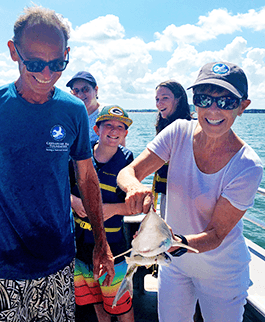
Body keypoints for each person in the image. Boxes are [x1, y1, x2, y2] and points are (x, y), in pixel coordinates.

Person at [117, 62, 263, 322]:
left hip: (223, 273)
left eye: (227, 101)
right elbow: (128, 172)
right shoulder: (177, 132)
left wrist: (175, 242)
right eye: (204, 98)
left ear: (243, 106)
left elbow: (217, 234)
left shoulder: (247, 165)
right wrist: (134, 187)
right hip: (175, 266)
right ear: (194, 102)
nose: (213, 109)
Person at [0, 5, 114, 322]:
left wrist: (101, 243)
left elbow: (87, 176)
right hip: (2, 265)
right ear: (13, 52)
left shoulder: (73, 110)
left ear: (67, 54)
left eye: (57, 63)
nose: (47, 75)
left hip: (58, 259)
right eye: (34, 63)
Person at [70, 105, 135, 322]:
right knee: (95, 299)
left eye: (120, 127)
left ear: (125, 133)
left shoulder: (128, 161)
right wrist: (73, 200)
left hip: (113, 246)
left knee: (120, 301)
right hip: (80, 245)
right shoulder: (80, 155)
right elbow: (59, 186)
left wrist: (110, 209)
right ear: (97, 129)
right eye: (108, 125)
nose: (114, 130)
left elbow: (136, 206)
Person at [153, 80, 191, 217]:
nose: (159, 103)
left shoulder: (190, 128)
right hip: (166, 193)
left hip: (185, 197)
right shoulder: (164, 127)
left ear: (179, 99)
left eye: (165, 98)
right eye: (157, 99)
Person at [66, 71, 101, 147]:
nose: (80, 95)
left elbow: (120, 149)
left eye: (85, 89)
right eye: (75, 91)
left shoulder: (107, 114)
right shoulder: (68, 117)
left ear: (96, 90)